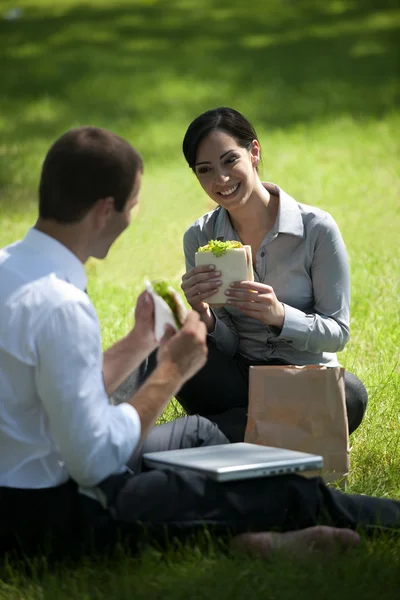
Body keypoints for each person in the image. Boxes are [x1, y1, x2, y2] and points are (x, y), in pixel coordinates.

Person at [0, 127, 399, 564]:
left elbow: (63, 392)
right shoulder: (62, 306)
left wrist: (139, 341)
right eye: (132, 205)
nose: (133, 217)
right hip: (55, 510)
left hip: (37, 481)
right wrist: (172, 369)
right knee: (272, 487)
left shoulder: (11, 269)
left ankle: (245, 540)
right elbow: (95, 464)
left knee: (198, 438)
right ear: (103, 212)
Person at [177, 107, 368, 442]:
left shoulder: (316, 230)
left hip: (301, 377)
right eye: (205, 170)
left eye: (229, 161)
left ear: (253, 152)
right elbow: (227, 343)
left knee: (349, 396)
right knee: (172, 356)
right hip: (238, 378)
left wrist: (280, 315)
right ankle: (279, 432)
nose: (220, 179)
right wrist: (204, 317)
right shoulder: (200, 237)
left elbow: (337, 333)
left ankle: (210, 436)